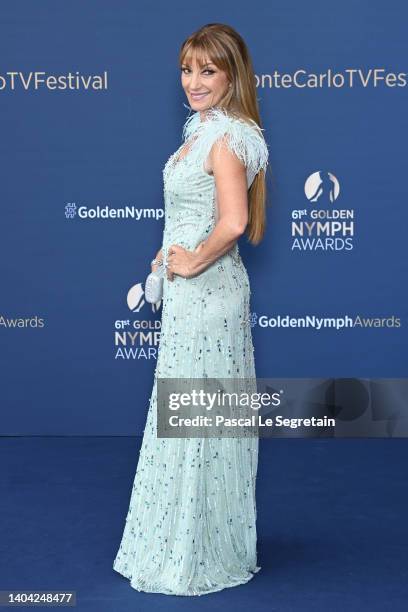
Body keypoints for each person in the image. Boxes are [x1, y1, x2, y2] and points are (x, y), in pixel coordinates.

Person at [113, 22, 269, 596]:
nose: (194, 81)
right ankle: (187, 541)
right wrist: (169, 254)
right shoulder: (201, 132)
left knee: (196, 424)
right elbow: (199, 215)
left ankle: (196, 552)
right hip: (190, 296)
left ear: (232, 75)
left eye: (208, 70)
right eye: (187, 69)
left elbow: (234, 223)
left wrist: (193, 260)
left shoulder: (227, 137)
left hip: (208, 297)